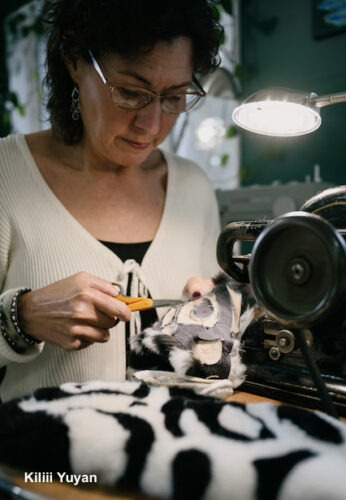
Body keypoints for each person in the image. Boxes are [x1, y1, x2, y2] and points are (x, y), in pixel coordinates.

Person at [0, 0, 224, 402]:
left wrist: (218, 318)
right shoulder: (6, 173)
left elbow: (217, 354)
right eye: (130, 92)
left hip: (178, 453)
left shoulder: (194, 186)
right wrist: (24, 316)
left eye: (174, 97)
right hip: (43, 458)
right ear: (74, 62)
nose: (152, 125)